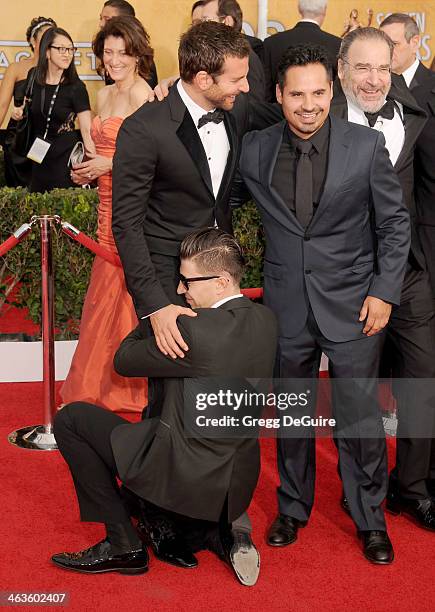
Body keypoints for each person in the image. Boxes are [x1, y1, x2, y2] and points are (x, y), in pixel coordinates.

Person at [231, 44, 410, 564]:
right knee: (292, 413)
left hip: (356, 305)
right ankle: (292, 507)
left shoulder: (365, 145)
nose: (307, 105)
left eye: (317, 93)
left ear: (331, 91)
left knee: (359, 418)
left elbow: (394, 224)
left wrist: (383, 291)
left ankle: (370, 519)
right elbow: (227, 199)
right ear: (279, 96)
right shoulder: (257, 148)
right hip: (286, 304)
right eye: (296, 95)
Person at [51, 228, 278, 587]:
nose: (179, 290)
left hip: (188, 477)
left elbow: (123, 361)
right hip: (235, 483)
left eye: (187, 281)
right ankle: (209, 529)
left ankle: (122, 544)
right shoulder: (267, 320)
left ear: (220, 282)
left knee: (70, 420)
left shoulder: (192, 329)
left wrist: (157, 315)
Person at [333, 27, 435, 531]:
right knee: (357, 391)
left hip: (409, 274)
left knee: (424, 382)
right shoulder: (320, 119)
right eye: (362, 68)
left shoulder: (414, 114)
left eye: (382, 68)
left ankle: (411, 489)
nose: (374, 80)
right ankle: (360, 488)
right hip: (351, 279)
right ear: (342, 70)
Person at [60, 17, 152, 414]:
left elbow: (149, 160)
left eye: (122, 52)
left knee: (125, 293)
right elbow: (101, 151)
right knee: (104, 296)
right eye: (108, 52)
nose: (114, 60)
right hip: (104, 203)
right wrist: (88, 168)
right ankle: (99, 381)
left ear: (137, 55)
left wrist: (106, 165)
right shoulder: (103, 96)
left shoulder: (142, 93)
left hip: (130, 204)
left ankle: (126, 386)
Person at [23, 27, 94, 192]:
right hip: (38, 154)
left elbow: (86, 129)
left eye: (70, 49)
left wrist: (91, 168)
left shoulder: (76, 87)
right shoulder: (33, 77)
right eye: (61, 49)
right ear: (47, 51)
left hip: (65, 157)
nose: (67, 54)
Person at [0, 16, 56, 187]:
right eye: (44, 37)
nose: (49, 42)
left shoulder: (59, 69)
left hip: (48, 136)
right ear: (33, 40)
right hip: (19, 136)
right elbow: (2, 105)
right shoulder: (16, 68)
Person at [262, 0, 341, 101]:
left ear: (299, 9)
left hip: (275, 113)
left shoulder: (271, 43)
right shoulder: (337, 44)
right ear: (324, 10)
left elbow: (265, 90)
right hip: (323, 113)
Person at [199, 0, 266, 102]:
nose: (200, 27)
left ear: (227, 21)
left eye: (205, 20)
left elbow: (253, 107)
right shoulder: (214, 56)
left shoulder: (245, 58)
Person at [99, 0, 158, 89]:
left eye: (108, 20)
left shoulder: (141, 88)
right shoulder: (105, 93)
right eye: (108, 52)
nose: (101, 24)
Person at [380, 13, 434, 89]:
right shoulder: (374, 84)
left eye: (394, 44)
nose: (386, 51)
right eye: (383, 45)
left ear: (414, 44)